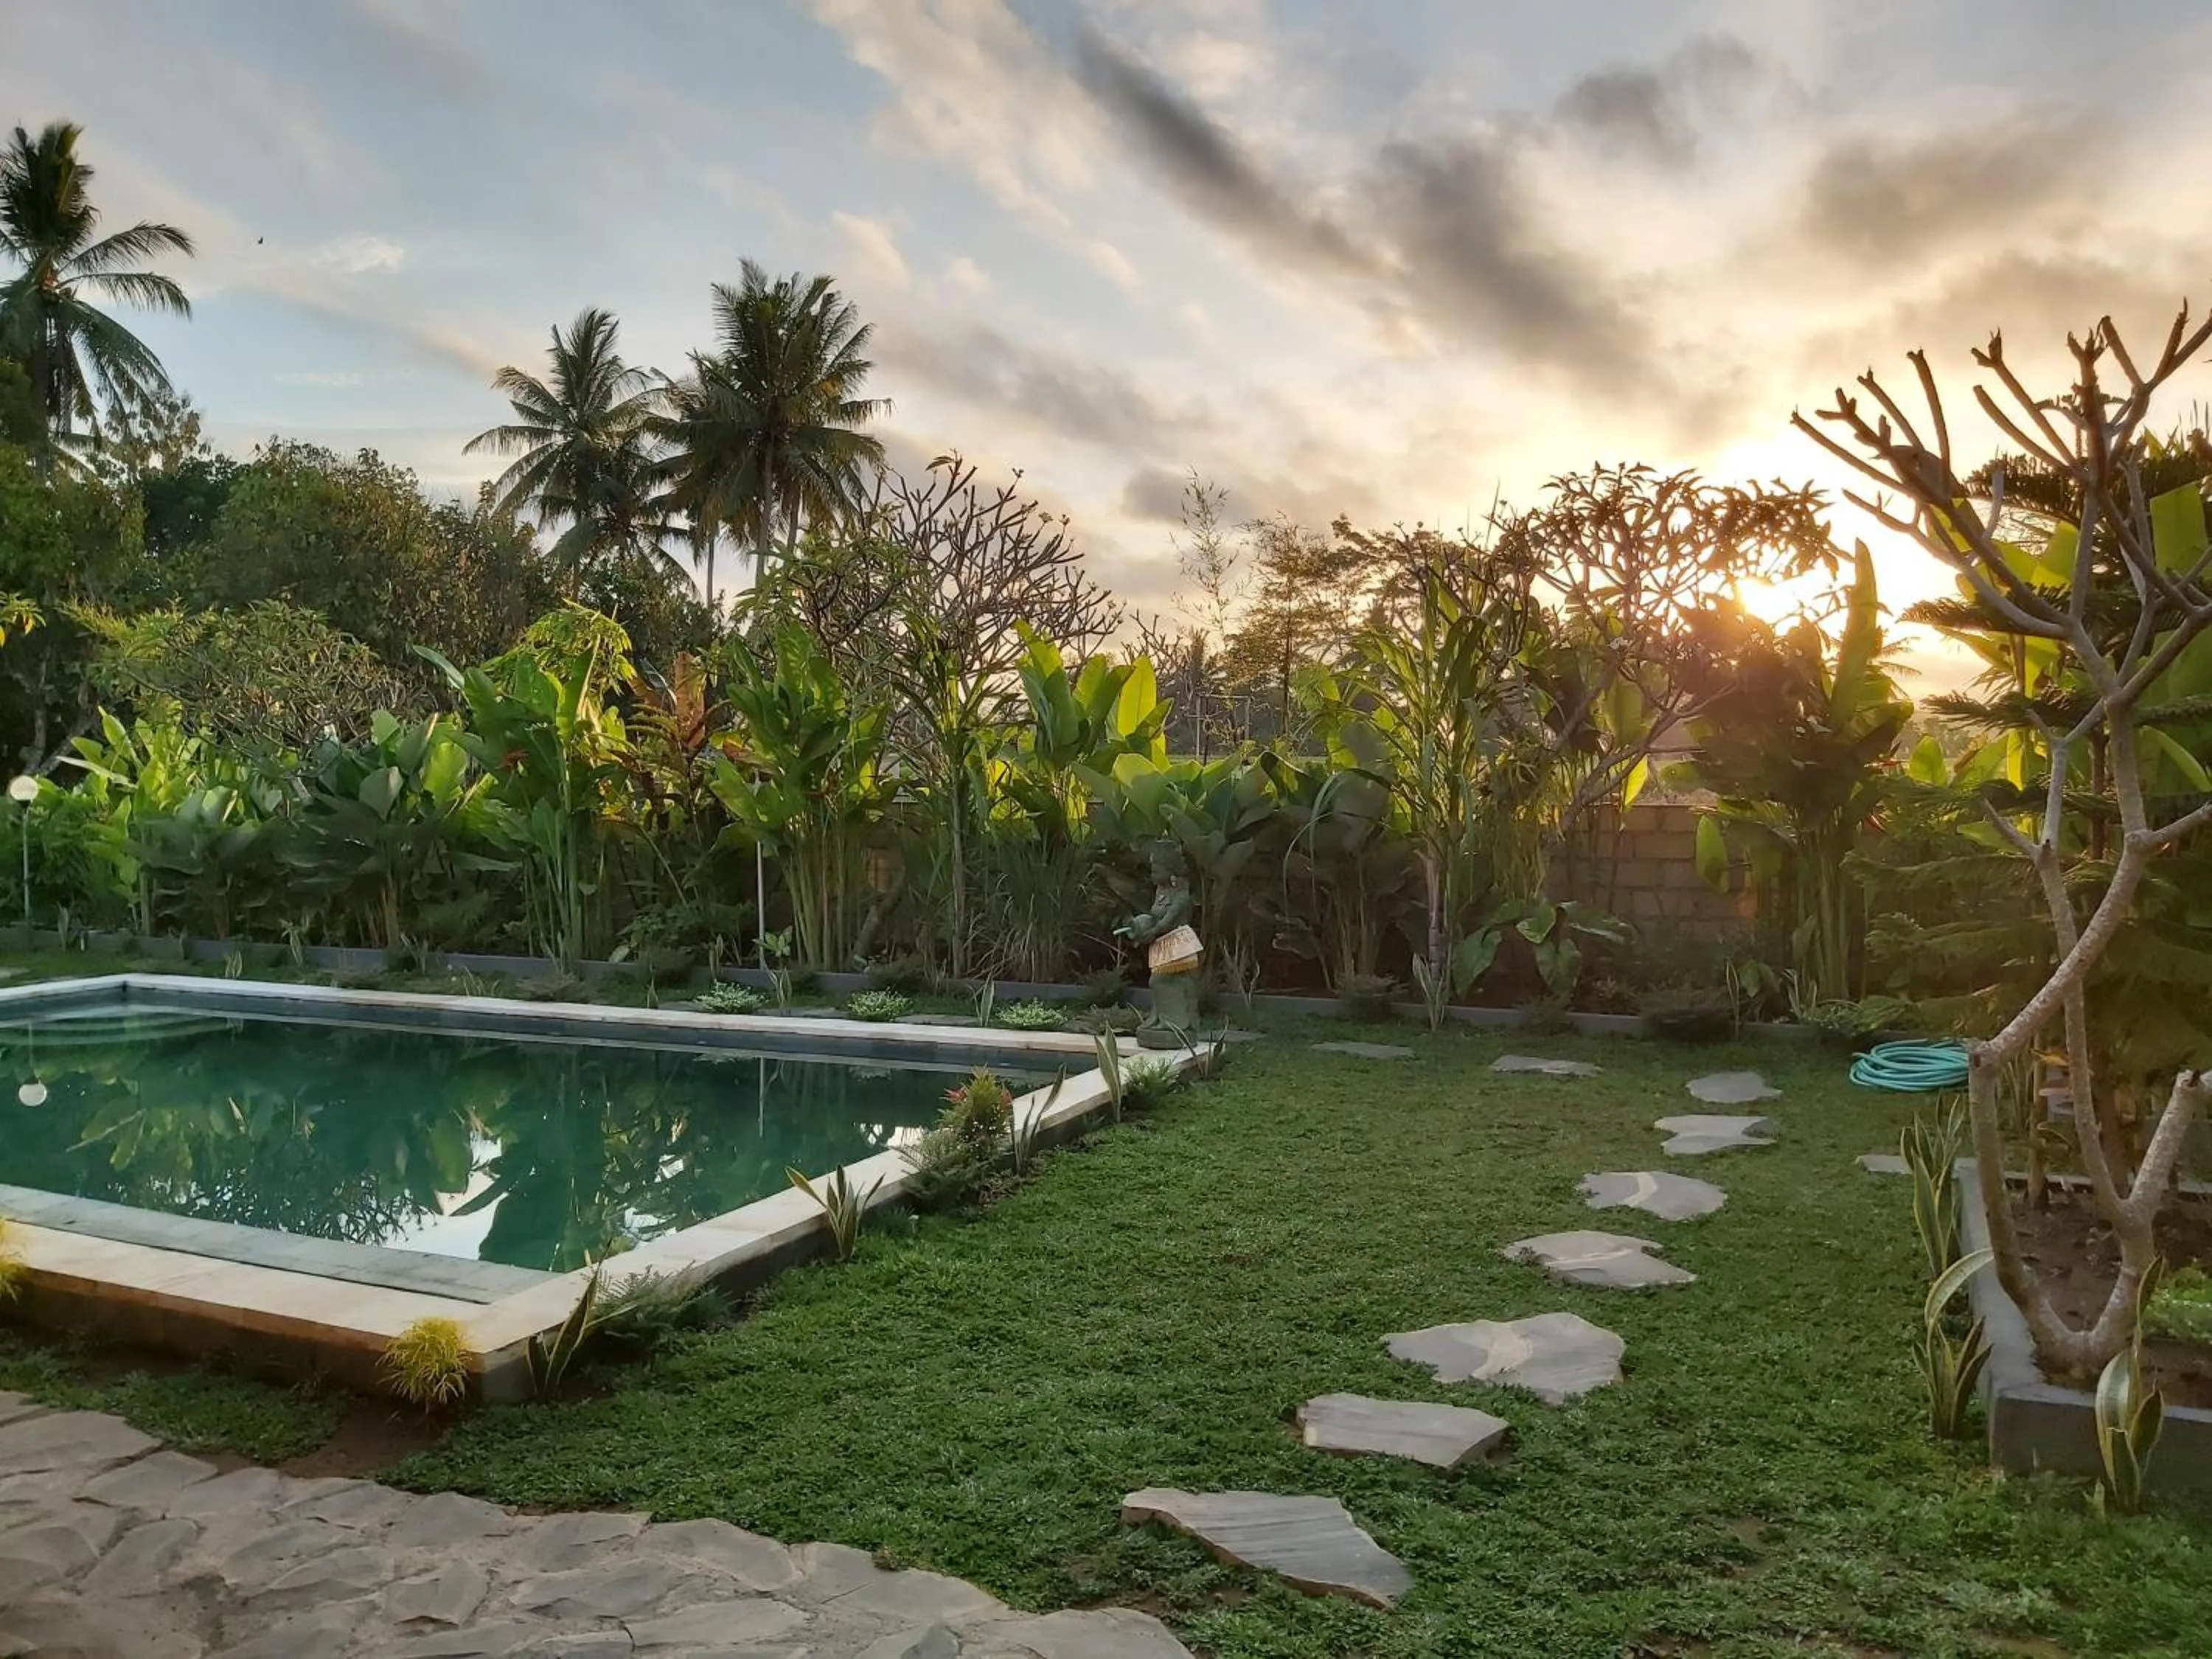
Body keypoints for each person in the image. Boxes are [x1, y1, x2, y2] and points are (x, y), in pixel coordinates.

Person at [1118, 839, 1203, 1048]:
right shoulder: (1160, 892)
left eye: (1157, 871)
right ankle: (1161, 1020)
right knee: (1160, 982)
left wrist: (1150, 934)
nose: (1153, 876)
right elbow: (1154, 917)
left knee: (1158, 981)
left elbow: (1166, 923)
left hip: (1178, 946)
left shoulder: (1181, 897)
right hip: (1163, 946)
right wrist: (1138, 925)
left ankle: (1176, 1024)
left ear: (1172, 873)